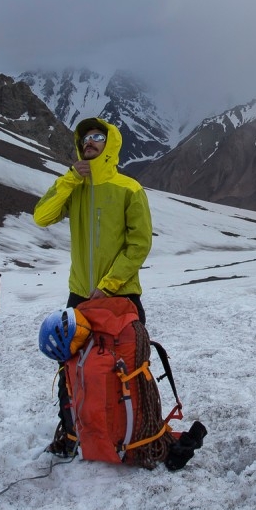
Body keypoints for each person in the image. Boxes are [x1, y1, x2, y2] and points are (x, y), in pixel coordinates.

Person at [33, 117, 152, 454]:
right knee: (72, 368)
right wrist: (71, 178)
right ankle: (74, 436)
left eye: (98, 136)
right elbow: (41, 216)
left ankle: (135, 434)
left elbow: (139, 245)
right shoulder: (75, 187)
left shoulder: (129, 189)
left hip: (121, 295)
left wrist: (110, 284)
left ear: (110, 143)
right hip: (80, 295)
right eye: (85, 137)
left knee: (130, 365)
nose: (90, 141)